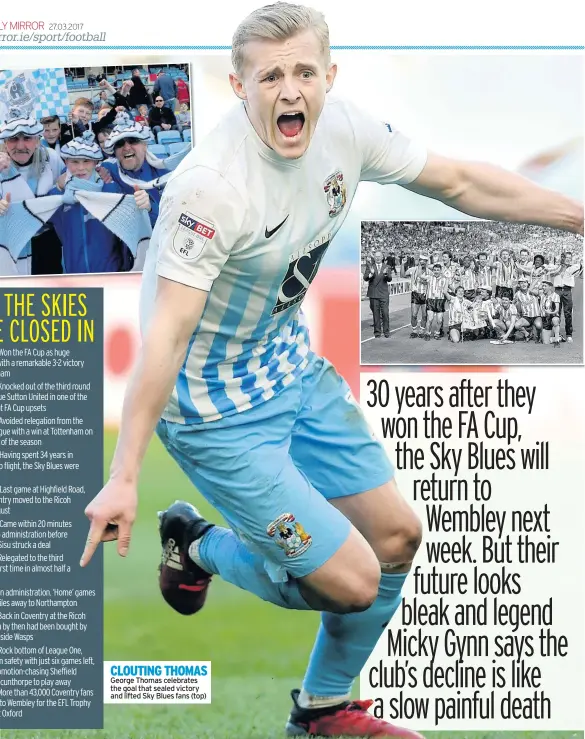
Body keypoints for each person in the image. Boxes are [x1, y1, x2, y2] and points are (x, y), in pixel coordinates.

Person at [80, 4, 584, 739]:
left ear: (329, 76)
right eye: (271, 75)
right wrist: (124, 473)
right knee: (349, 583)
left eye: (304, 72)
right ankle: (196, 545)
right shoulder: (210, 188)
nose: (291, 90)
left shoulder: (344, 130)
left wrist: (573, 217)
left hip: (290, 368)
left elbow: (457, 182)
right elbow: (165, 335)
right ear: (239, 86)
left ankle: (321, 713)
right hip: (215, 410)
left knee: (397, 540)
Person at [48, 131, 148, 273]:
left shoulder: (110, 188)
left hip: (110, 272)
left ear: (95, 162)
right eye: (75, 161)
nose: (81, 167)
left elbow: (129, 223)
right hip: (74, 273)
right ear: (66, 162)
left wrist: (143, 204)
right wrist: (58, 188)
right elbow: (47, 217)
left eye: (86, 161)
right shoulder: (60, 194)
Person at [0, 116, 63, 275]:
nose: (20, 146)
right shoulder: (1, 166)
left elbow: (71, 181)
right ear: (5, 142)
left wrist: (103, 174)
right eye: (13, 139)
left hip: (48, 240)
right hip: (13, 244)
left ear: (37, 140)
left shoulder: (51, 158)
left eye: (27, 138)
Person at [552, 251, 582, 342]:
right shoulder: (556, 267)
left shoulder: (573, 267)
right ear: (562, 258)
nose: (567, 259)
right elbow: (550, 269)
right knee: (556, 312)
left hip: (567, 290)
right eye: (565, 257)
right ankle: (556, 334)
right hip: (557, 290)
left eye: (569, 258)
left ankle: (569, 334)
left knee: (568, 313)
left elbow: (580, 266)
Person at [364, 250, 391, 338]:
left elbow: (389, 279)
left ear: (382, 258)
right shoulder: (370, 266)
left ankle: (386, 332)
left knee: (385, 314)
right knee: (376, 314)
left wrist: (386, 274)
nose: (378, 258)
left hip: (383, 294)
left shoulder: (387, 267)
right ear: (374, 258)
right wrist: (371, 274)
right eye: (376, 256)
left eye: (379, 256)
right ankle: (377, 332)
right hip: (374, 294)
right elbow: (365, 278)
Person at [405, 253, 429, 338]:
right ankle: (414, 330)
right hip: (415, 294)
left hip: (425, 294)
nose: (422, 262)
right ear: (419, 261)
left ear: (426, 262)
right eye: (421, 260)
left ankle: (422, 330)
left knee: (424, 315)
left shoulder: (429, 271)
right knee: (414, 314)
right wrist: (402, 264)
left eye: (424, 261)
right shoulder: (413, 269)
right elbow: (403, 275)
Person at [540, 278, 562, 346]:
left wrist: (550, 313)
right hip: (545, 320)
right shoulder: (542, 296)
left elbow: (557, 310)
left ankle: (557, 340)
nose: (543, 287)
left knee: (555, 320)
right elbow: (531, 290)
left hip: (553, 316)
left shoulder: (556, 296)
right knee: (545, 342)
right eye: (542, 286)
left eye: (545, 286)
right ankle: (558, 338)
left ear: (550, 287)